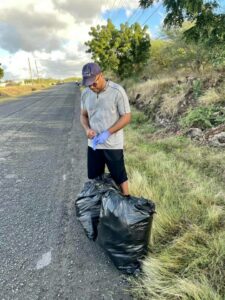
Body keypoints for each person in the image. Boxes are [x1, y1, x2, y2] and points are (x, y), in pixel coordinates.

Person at [80, 62, 131, 196]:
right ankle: (96, 205)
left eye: (93, 83)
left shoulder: (117, 91)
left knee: (120, 176)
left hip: (112, 144)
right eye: (88, 84)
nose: (91, 86)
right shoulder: (85, 93)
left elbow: (126, 116)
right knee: (95, 178)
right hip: (94, 145)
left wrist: (108, 132)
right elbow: (83, 115)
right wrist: (87, 129)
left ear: (100, 75)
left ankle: (126, 202)